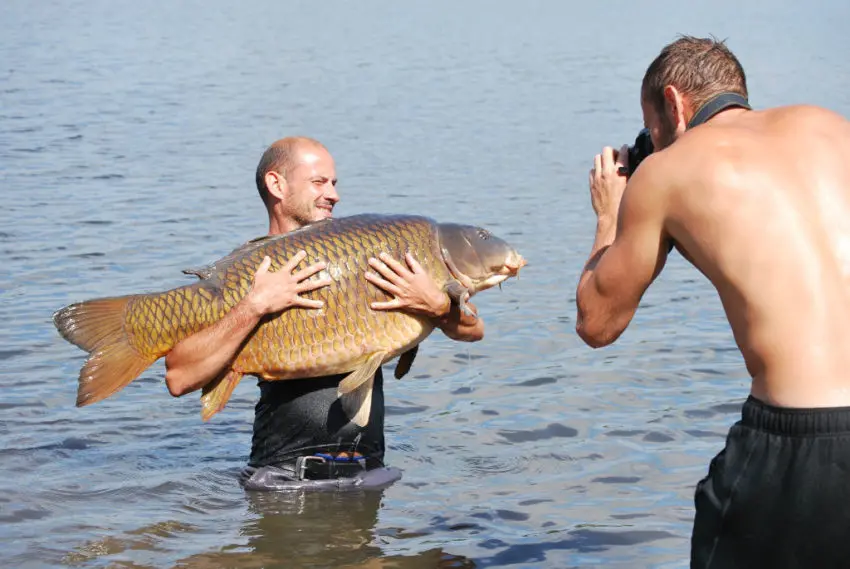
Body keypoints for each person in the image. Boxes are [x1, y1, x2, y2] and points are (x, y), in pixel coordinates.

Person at [574, 35, 850, 568]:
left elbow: (597, 322)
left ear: (674, 104)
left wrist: (610, 214)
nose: (653, 144)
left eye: (652, 129)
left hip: (800, 445)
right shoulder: (832, 126)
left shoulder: (666, 172)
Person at [164, 136, 484, 491]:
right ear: (276, 185)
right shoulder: (245, 279)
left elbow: (472, 329)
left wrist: (438, 306)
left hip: (368, 477)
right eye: (319, 182)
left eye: (333, 183)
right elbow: (179, 378)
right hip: (285, 482)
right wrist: (254, 306)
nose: (333, 194)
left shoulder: (363, 256)